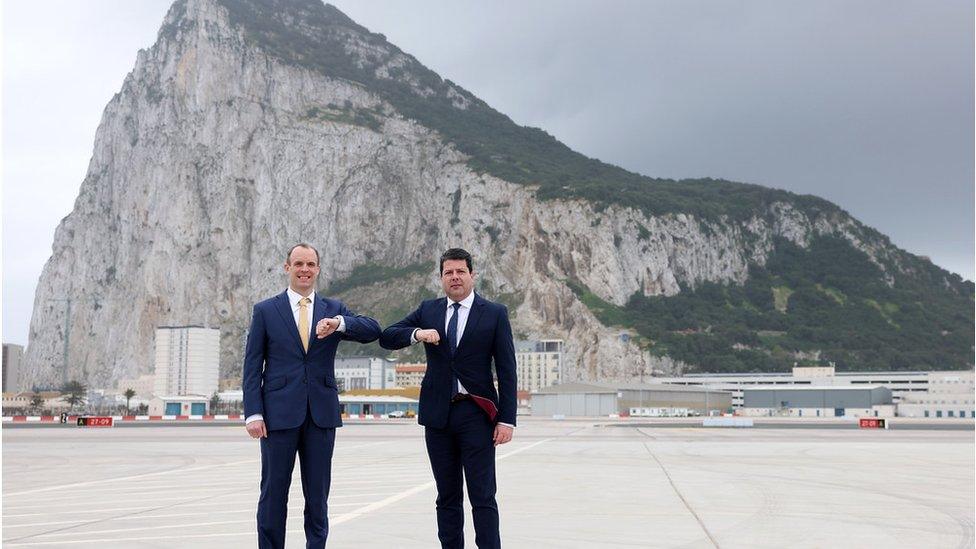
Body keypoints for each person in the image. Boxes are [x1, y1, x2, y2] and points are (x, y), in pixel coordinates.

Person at [242, 243, 380, 549]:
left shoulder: (334, 309)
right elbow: (252, 365)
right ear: (287, 267)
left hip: (321, 416)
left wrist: (340, 324)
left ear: (318, 269)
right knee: (273, 493)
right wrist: (253, 412)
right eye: (299, 263)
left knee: (318, 496)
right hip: (277, 416)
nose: (305, 269)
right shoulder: (266, 310)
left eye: (311, 264)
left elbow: (373, 329)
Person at [380, 248, 517, 549]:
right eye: (448, 273)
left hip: (477, 416)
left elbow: (508, 370)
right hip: (438, 416)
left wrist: (506, 420)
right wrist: (417, 334)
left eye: (460, 272)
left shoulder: (494, 313)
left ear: (472, 275)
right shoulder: (429, 310)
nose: (454, 277)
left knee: (482, 496)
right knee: (447, 496)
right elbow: (388, 336)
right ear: (441, 277)